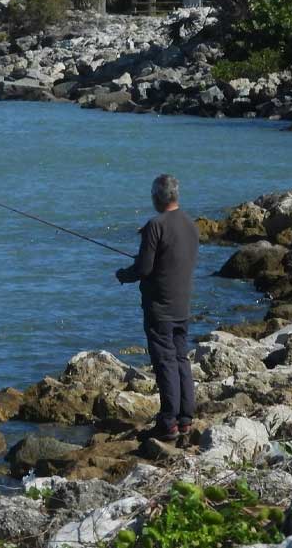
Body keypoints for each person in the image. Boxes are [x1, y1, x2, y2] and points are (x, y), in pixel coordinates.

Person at [116, 175, 199, 442]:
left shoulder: (155, 225)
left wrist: (123, 275)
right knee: (181, 358)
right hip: (182, 304)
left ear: (157, 197)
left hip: (160, 307)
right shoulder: (190, 223)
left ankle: (168, 422)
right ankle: (185, 419)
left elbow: (144, 268)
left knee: (164, 362)